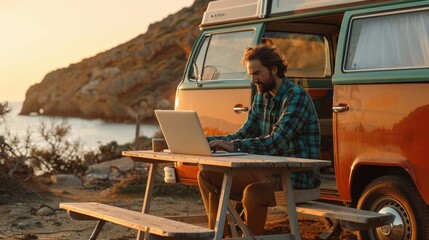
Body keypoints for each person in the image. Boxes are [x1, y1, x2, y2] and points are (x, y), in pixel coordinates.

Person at [197, 44, 321, 236]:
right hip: (269, 172)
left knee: (253, 193)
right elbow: (241, 135)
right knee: (207, 174)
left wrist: (233, 146)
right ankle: (218, 234)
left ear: (274, 69)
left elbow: (275, 142)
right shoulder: (260, 98)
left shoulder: (296, 97)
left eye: (257, 73)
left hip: (297, 177)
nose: (254, 80)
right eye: (251, 74)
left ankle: (251, 236)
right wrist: (203, 140)